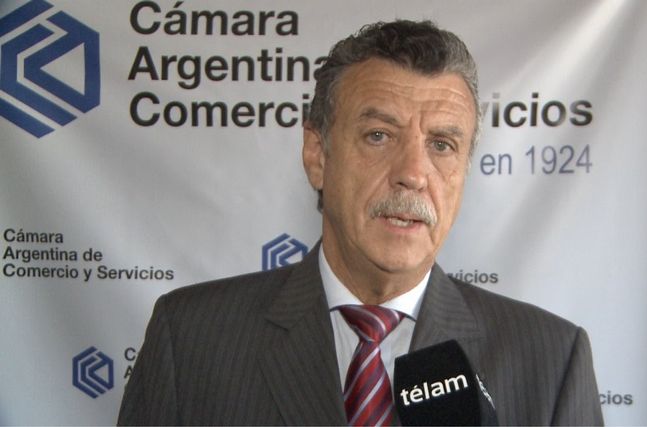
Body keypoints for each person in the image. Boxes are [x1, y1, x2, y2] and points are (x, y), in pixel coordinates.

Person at [118, 20, 603, 426]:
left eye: (442, 145)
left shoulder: (551, 361)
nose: (413, 173)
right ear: (317, 155)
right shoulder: (190, 339)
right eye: (378, 136)